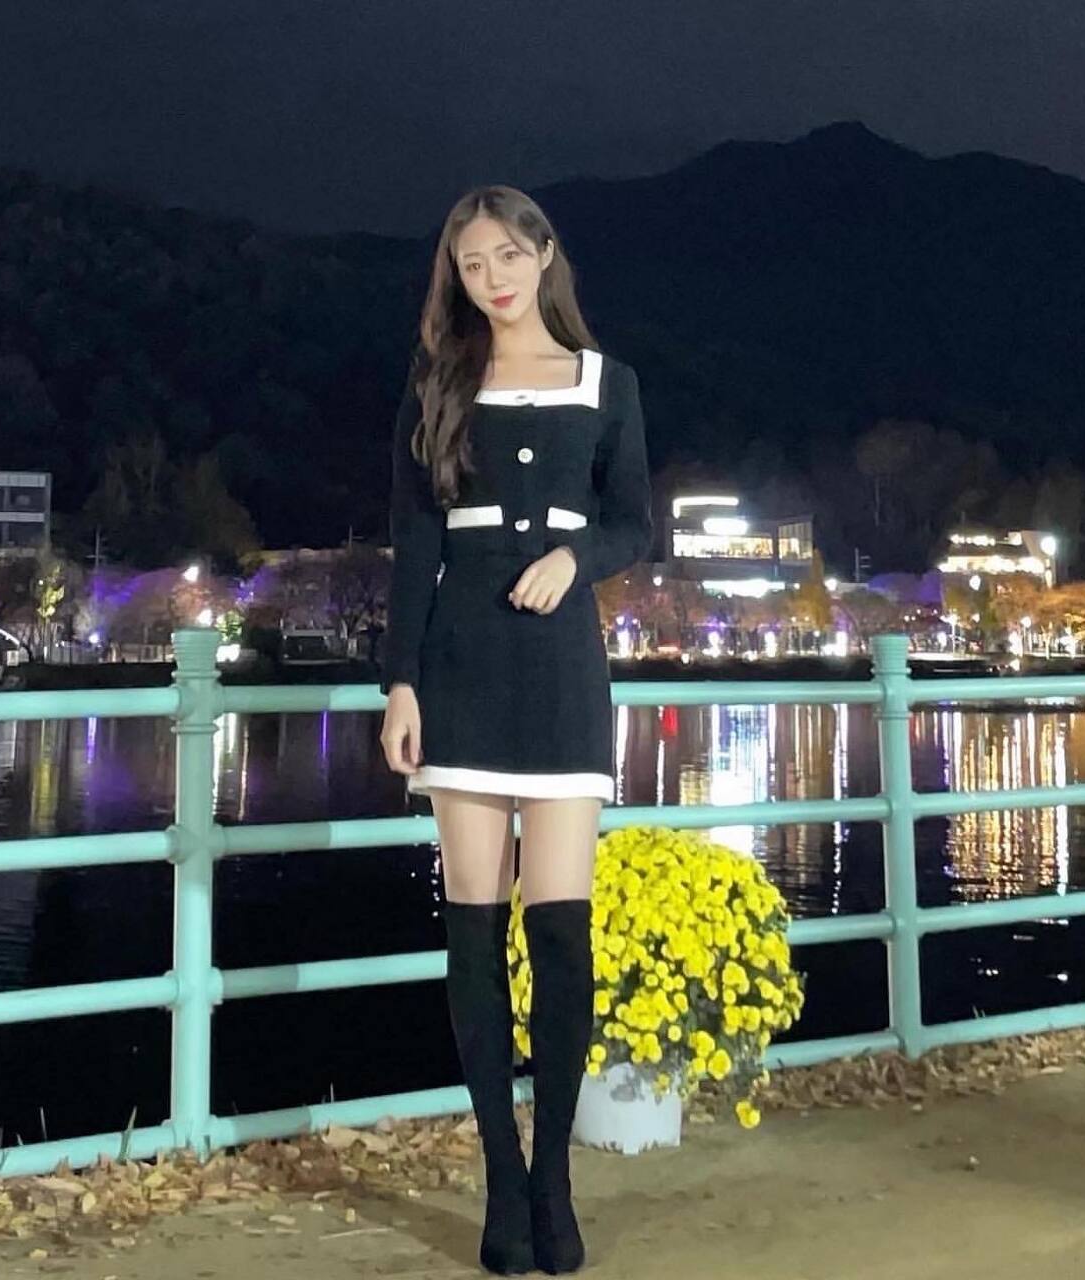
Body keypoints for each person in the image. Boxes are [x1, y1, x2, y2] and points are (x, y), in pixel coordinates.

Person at [379, 185, 653, 1276]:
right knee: (473, 932)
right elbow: (414, 544)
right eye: (470, 263)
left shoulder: (607, 383)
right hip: (462, 670)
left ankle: (553, 1180)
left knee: (561, 936)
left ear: (543, 254)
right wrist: (400, 683)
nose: (490, 277)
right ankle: (501, 1180)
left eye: (505, 254)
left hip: (563, 674)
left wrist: (577, 558)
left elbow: (635, 522)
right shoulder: (439, 384)